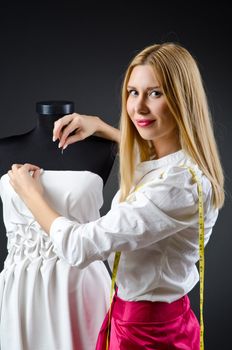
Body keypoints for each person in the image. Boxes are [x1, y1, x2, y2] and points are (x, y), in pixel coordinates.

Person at [7, 42, 224, 350]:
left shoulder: (180, 186)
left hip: (149, 333)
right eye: (133, 92)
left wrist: (32, 196)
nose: (138, 108)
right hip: (135, 317)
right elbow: (152, 160)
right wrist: (100, 126)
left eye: (155, 93)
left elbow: (79, 246)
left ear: (182, 99)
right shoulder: (176, 164)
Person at [0, 101, 117, 350]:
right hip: (21, 288)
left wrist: (99, 125)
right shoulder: (4, 149)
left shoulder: (105, 148)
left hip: (81, 282)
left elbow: (158, 155)